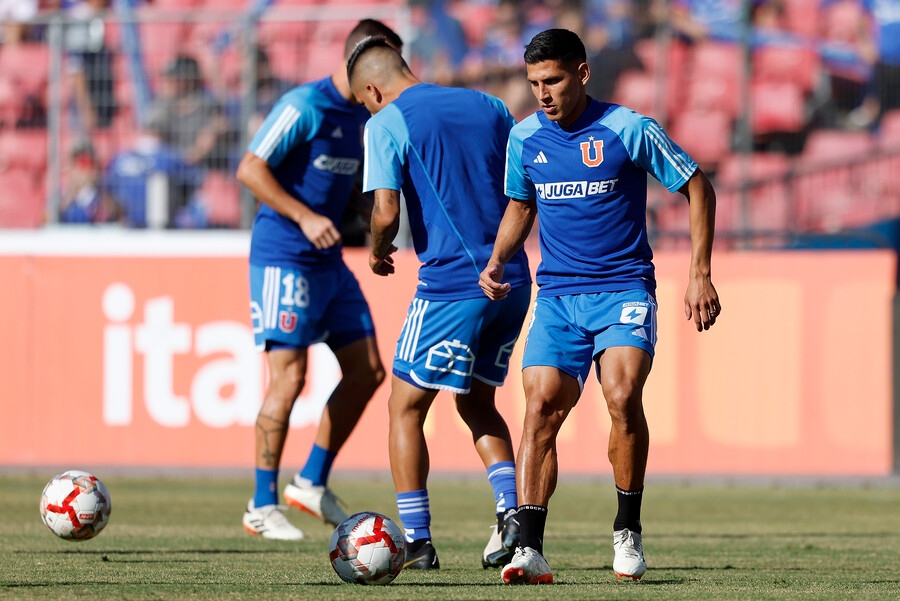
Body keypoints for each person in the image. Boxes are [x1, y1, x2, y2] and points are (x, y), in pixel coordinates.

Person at [478, 28, 720, 584]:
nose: (543, 92)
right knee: (539, 407)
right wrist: (496, 259)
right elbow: (521, 207)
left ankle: (627, 531)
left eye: (554, 80)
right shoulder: (524, 139)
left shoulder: (628, 129)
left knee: (621, 394)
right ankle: (531, 549)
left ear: (582, 74)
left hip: (624, 290)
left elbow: (698, 186)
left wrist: (699, 273)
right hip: (558, 297)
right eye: (535, 82)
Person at [347, 36, 532, 569]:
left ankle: (419, 540)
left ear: (374, 90)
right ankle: (511, 516)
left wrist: (379, 251)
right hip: (513, 281)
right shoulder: (490, 106)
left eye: (364, 100)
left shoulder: (384, 122)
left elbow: (385, 211)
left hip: (453, 286)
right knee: (476, 403)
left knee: (404, 408)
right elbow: (521, 188)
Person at [235, 19, 404, 541]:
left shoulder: (365, 117)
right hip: (285, 257)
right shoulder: (303, 105)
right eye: (386, 69)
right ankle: (261, 504)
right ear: (359, 62)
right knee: (288, 379)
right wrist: (305, 216)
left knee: (369, 370)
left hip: (330, 263)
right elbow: (250, 169)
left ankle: (309, 481)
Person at [147, 54, 230, 171]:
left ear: (189, 80)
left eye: (175, 79)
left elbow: (208, 140)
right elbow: (150, 141)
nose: (168, 84)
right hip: (171, 170)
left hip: (202, 171)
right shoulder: (163, 106)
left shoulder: (208, 105)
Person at [58, 139, 121, 224]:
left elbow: (119, 214)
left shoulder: (103, 195)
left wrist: (96, 186)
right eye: (79, 163)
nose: (83, 170)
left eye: (88, 163)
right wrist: (73, 192)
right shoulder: (61, 196)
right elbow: (45, 221)